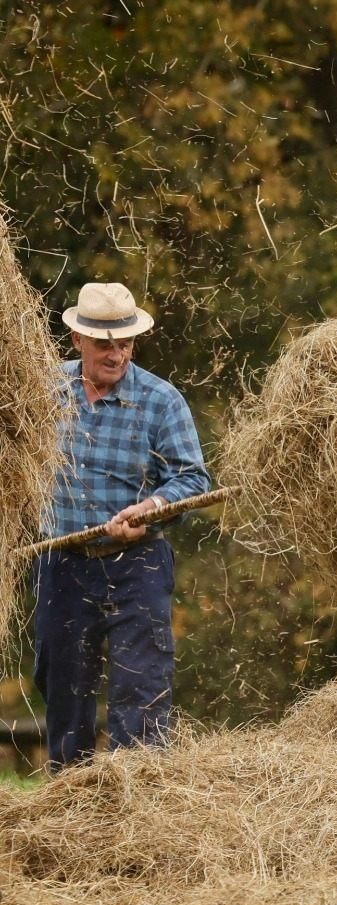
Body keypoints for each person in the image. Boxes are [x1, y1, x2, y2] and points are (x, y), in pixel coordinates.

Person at [32, 282, 210, 770]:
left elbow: (193, 478)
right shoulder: (41, 392)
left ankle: (138, 798)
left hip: (139, 562)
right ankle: (68, 801)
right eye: (105, 343)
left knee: (142, 686)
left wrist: (152, 507)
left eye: (125, 342)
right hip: (60, 561)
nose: (117, 353)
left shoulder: (160, 400)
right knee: (63, 684)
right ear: (77, 340)